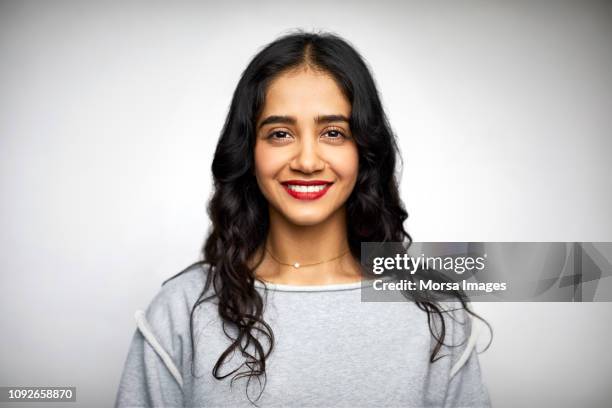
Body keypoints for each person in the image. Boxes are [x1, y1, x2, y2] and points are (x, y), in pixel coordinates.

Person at [115, 30, 492, 408]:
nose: (307, 162)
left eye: (333, 132)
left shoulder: (436, 313)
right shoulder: (180, 312)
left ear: (364, 150)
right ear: (249, 151)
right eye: (280, 134)